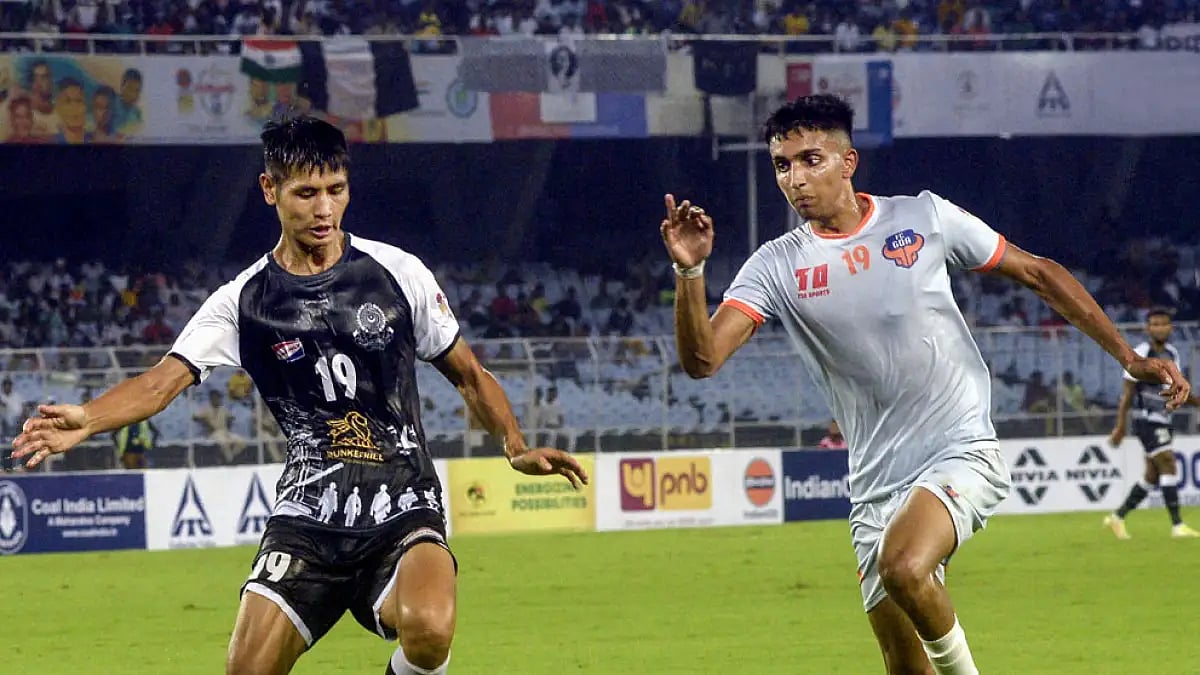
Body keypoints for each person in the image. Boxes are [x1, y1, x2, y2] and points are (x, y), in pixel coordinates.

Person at [12, 115, 587, 675]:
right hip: (308, 516)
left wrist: (514, 444)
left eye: (336, 190)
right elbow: (162, 382)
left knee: (431, 630)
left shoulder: (397, 273)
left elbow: (470, 375)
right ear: (270, 190)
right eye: (306, 193)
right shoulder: (243, 302)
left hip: (402, 504)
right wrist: (88, 417)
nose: (324, 209)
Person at [659, 94, 1190, 675]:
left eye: (811, 160)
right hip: (874, 484)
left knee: (905, 566)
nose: (795, 179)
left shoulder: (923, 217)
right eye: (782, 165)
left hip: (958, 448)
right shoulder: (776, 265)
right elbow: (702, 360)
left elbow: (1038, 273)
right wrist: (690, 270)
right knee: (906, 666)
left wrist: (1127, 356)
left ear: (848, 162)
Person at [1104, 307, 1200, 539]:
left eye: (1164, 324)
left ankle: (1117, 517)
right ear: (1147, 328)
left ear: (1171, 327)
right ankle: (1177, 525)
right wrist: (1120, 426)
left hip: (1164, 418)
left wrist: (1195, 402)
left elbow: (1175, 388)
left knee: (1152, 475)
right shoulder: (1140, 354)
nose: (1160, 328)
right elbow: (1127, 394)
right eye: (1155, 324)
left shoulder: (1172, 354)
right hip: (1145, 419)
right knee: (1168, 463)